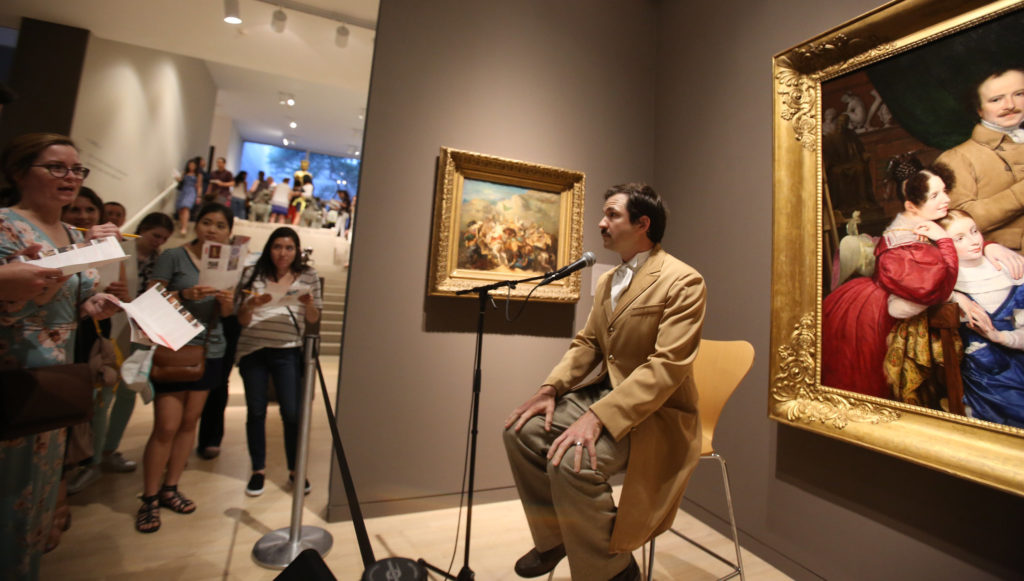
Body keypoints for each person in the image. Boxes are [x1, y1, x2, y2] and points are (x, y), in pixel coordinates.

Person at [503, 183, 705, 581]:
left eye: (612, 214)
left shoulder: (684, 281)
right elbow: (589, 343)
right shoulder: (609, 278)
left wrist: (597, 417)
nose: (601, 222)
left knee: (574, 462)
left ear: (642, 223)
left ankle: (610, 570)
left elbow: (666, 366)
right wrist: (550, 389)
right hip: (606, 393)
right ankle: (556, 537)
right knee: (521, 431)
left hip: (658, 413)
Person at [0, 133, 119, 577]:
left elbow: (79, 298)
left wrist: (97, 304)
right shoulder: (6, 225)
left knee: (39, 490)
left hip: (56, 381)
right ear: (19, 172)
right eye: (56, 167)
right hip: (15, 375)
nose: (70, 177)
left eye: (76, 169)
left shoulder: (73, 234)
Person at [136, 203, 235, 533]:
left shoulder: (227, 265)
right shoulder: (174, 257)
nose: (212, 229)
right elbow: (151, 295)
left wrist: (226, 301)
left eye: (220, 225)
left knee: (190, 422)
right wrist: (184, 293)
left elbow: (231, 310)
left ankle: (170, 488)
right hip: (175, 346)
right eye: (206, 222)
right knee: (166, 425)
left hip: (212, 348)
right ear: (196, 224)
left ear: (228, 232)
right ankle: (149, 497)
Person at [235, 227, 322, 496]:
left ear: (296, 251)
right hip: (253, 348)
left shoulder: (308, 276)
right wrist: (251, 305)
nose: (282, 253)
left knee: (292, 413)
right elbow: (241, 320)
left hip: (287, 349)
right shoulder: (252, 274)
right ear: (269, 248)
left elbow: (313, 319)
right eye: (277, 246)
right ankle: (258, 470)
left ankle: (295, 470)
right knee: (256, 411)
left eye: (288, 248)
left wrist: (308, 304)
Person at [936, 209, 1024, 428]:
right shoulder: (947, 280)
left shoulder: (1007, 269)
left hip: (1017, 354)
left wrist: (1001, 337)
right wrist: (956, 294)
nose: (974, 240)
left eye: (975, 231)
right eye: (960, 238)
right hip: (985, 372)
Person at [937, 67, 1024, 251]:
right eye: (996, 99)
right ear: (979, 109)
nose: (1009, 105)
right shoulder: (957, 158)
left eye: (1019, 94)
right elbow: (957, 222)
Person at [175, 158, 201, 236]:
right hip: (184, 191)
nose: (191, 166)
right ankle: (182, 223)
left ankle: (184, 228)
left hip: (191, 191)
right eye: (190, 165)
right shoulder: (185, 173)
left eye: (193, 165)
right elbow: (181, 181)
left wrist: (198, 196)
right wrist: (178, 179)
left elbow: (199, 186)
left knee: (186, 207)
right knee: (181, 208)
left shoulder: (198, 175)